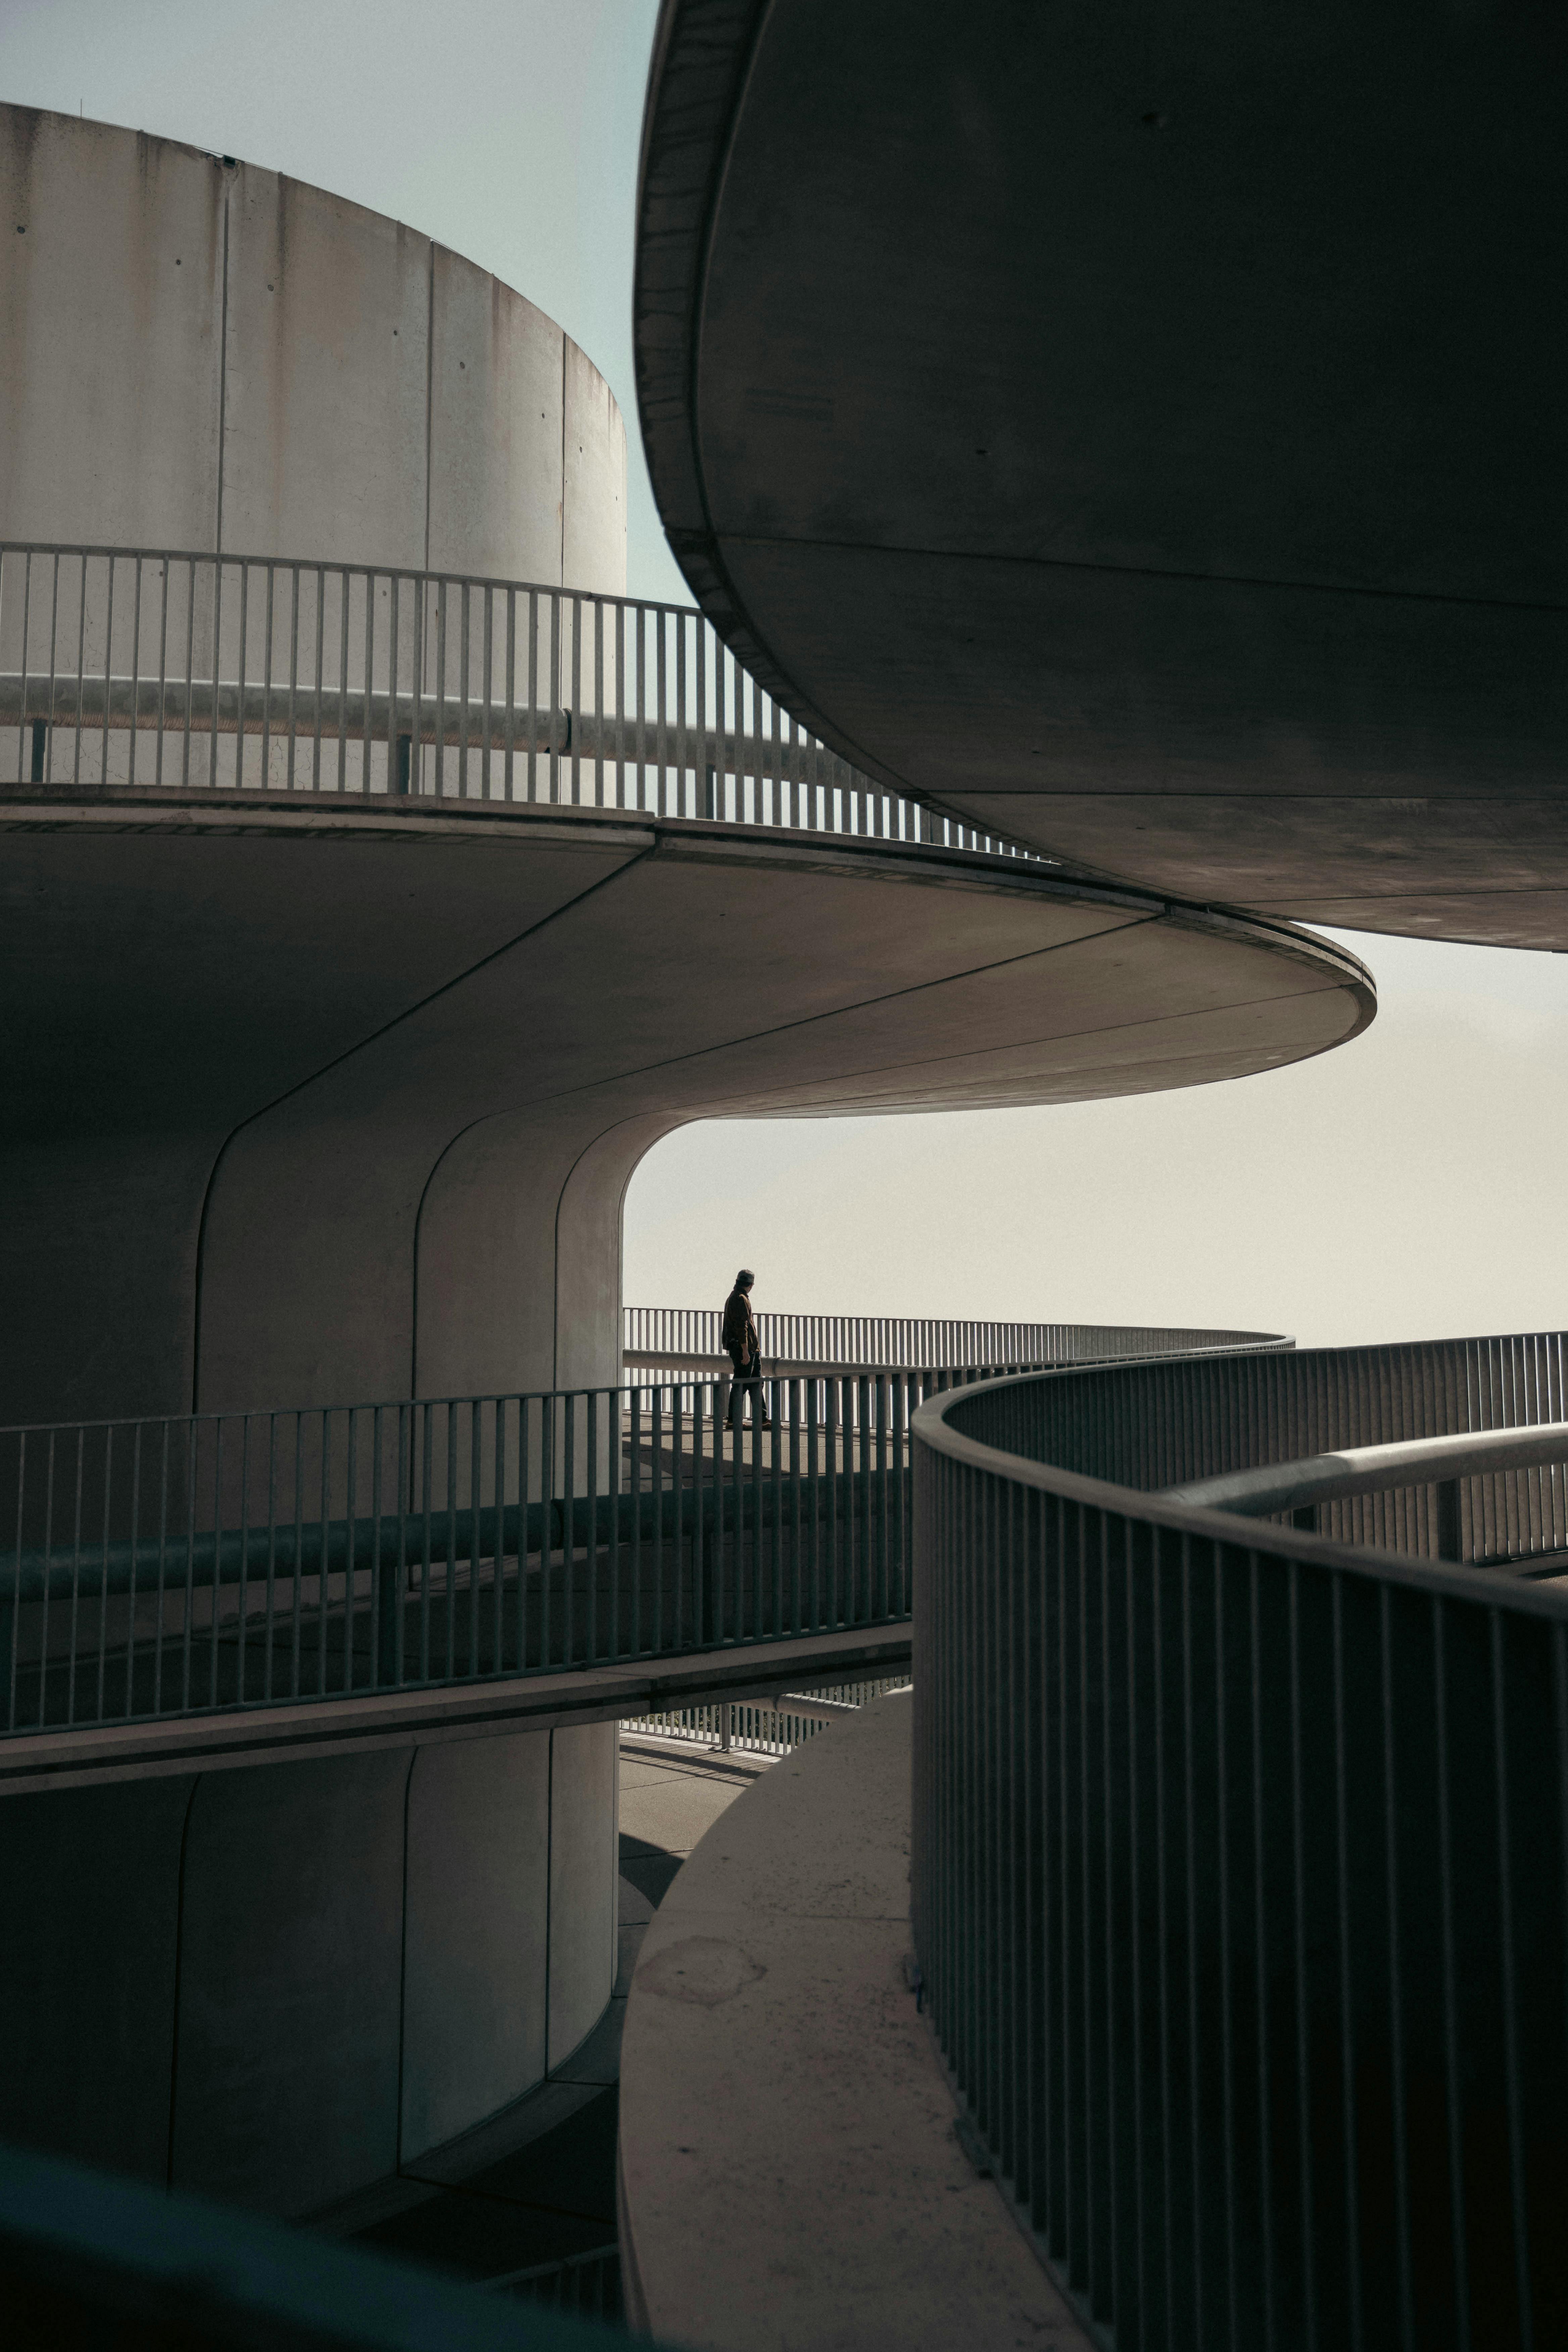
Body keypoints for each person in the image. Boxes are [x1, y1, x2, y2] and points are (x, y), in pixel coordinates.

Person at [721, 1267, 771, 1430]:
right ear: (751, 1285)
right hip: (745, 1348)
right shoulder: (741, 1299)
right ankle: (734, 1420)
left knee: (756, 1383)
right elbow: (742, 1326)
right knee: (741, 1384)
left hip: (751, 1349)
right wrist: (745, 1350)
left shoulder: (734, 1297)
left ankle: (762, 1419)